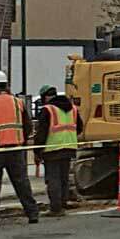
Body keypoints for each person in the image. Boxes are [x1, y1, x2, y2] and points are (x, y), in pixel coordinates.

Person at [0, 71, 39, 226]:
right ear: (7, 85)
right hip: (15, 150)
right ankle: (32, 213)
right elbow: (28, 126)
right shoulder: (18, 103)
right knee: (22, 183)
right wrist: (20, 141)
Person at [35, 84, 82, 216]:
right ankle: (63, 202)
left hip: (52, 149)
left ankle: (56, 208)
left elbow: (41, 133)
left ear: (45, 97)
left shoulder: (48, 110)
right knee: (63, 178)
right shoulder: (72, 108)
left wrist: (37, 151)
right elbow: (79, 128)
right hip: (69, 148)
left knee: (53, 179)